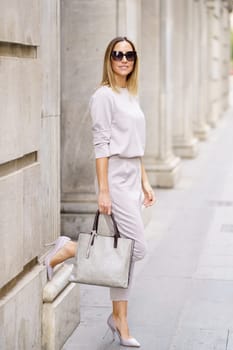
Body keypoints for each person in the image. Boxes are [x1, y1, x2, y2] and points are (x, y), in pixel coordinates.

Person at [45, 36, 155, 348]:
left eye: (129, 55)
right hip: (116, 179)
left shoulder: (129, 94)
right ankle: (67, 250)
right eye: (118, 54)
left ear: (134, 60)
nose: (124, 59)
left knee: (126, 251)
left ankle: (119, 320)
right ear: (109, 59)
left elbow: (136, 145)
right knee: (136, 249)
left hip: (132, 175)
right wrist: (103, 190)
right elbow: (101, 146)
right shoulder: (104, 96)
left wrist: (145, 181)